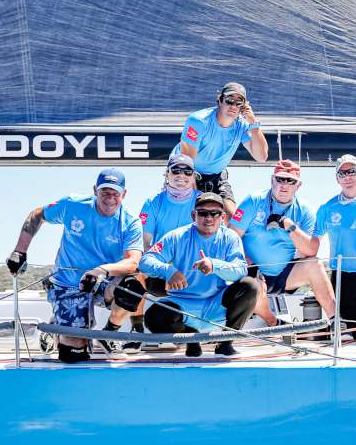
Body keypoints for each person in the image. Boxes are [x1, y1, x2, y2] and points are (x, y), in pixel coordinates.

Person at [5, 169, 144, 363]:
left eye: (115, 193)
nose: (110, 198)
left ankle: (108, 334)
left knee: (132, 289)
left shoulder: (130, 222)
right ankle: (57, 329)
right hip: (68, 284)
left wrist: (101, 271)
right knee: (73, 355)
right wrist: (20, 251)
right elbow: (38, 214)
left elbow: (133, 262)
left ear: (124, 194)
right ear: (95, 190)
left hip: (103, 281)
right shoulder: (73, 205)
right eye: (105, 192)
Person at [139, 193, 258, 357]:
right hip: (183, 304)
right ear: (193, 215)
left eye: (215, 213)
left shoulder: (231, 237)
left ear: (223, 217)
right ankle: (190, 338)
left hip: (216, 303)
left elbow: (240, 270)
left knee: (250, 285)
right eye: (202, 213)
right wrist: (169, 271)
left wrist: (214, 265)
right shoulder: (177, 236)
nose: (209, 217)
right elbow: (145, 261)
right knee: (153, 318)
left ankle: (226, 342)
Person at [229, 160, 336, 327]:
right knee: (253, 284)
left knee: (314, 264)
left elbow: (311, 250)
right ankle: (273, 322)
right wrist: (248, 263)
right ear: (272, 180)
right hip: (253, 271)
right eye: (280, 179)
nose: (284, 185)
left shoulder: (305, 210)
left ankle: (336, 322)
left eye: (290, 181)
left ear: (298, 185)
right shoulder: (253, 201)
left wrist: (288, 224)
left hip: (284, 275)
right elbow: (231, 237)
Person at [126, 148, 200, 350]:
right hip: (160, 271)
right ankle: (138, 331)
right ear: (167, 174)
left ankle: (197, 328)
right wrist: (165, 270)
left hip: (193, 272)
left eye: (187, 172)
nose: (181, 176)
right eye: (176, 170)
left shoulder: (203, 201)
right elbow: (145, 243)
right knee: (135, 270)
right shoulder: (152, 203)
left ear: (194, 176)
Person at [178, 82, 269, 218]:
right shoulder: (199, 121)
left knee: (234, 220)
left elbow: (261, 157)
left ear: (244, 106)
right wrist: (198, 196)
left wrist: (253, 123)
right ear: (220, 100)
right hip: (187, 173)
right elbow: (186, 163)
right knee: (195, 217)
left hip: (217, 176)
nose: (233, 106)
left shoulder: (243, 126)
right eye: (229, 100)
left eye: (239, 103)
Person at [316, 155, 356, 341]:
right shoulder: (327, 208)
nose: (348, 177)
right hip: (342, 276)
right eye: (342, 173)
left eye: (352, 171)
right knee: (349, 336)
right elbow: (313, 241)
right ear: (337, 178)